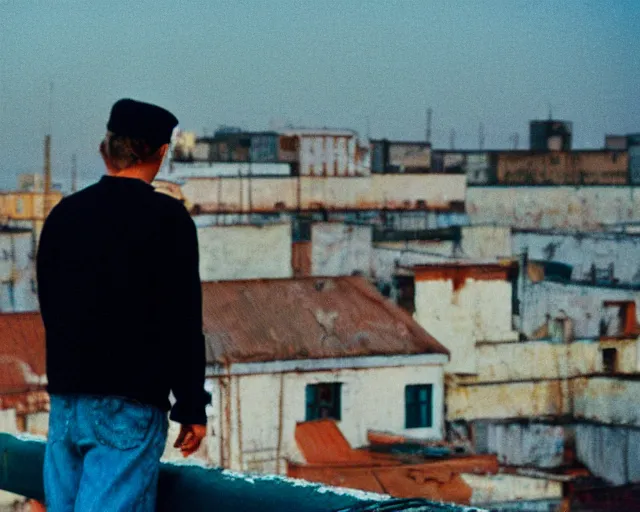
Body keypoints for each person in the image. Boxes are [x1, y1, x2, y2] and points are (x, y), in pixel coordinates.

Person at [36, 98, 209, 512]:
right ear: (162, 153)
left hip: (66, 404)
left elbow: (51, 305)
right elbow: (182, 320)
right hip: (128, 406)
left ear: (105, 149)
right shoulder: (168, 219)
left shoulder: (65, 214)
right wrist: (191, 407)